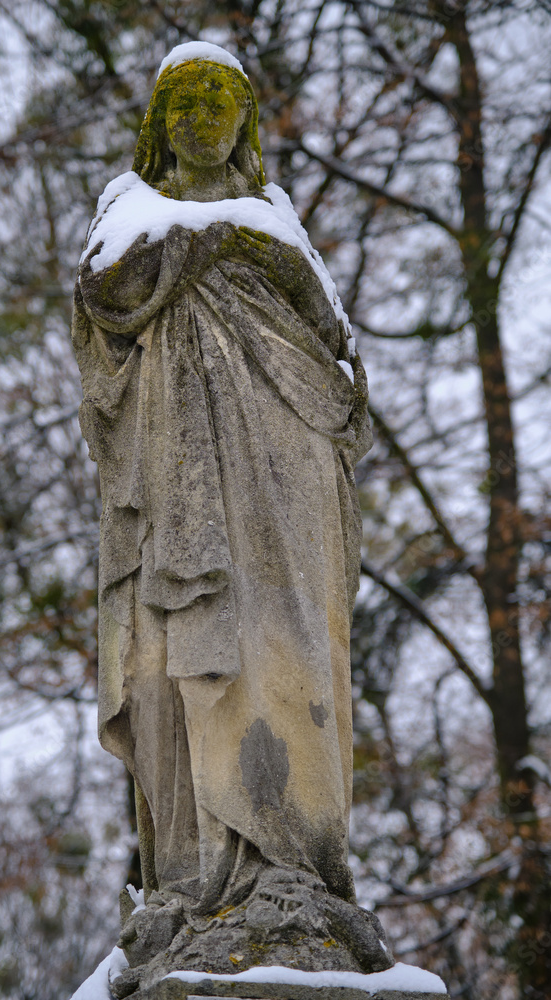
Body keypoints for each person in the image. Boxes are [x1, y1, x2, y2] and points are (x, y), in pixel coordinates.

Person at [71, 42, 372, 922]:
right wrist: (213, 239)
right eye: (186, 104)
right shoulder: (128, 210)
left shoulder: (276, 218)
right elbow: (105, 299)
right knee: (184, 647)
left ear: (245, 122)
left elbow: (336, 358)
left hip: (288, 473)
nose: (204, 119)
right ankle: (195, 870)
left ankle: (295, 859)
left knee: (287, 637)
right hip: (178, 473)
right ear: (158, 124)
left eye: (221, 103)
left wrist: (248, 241)